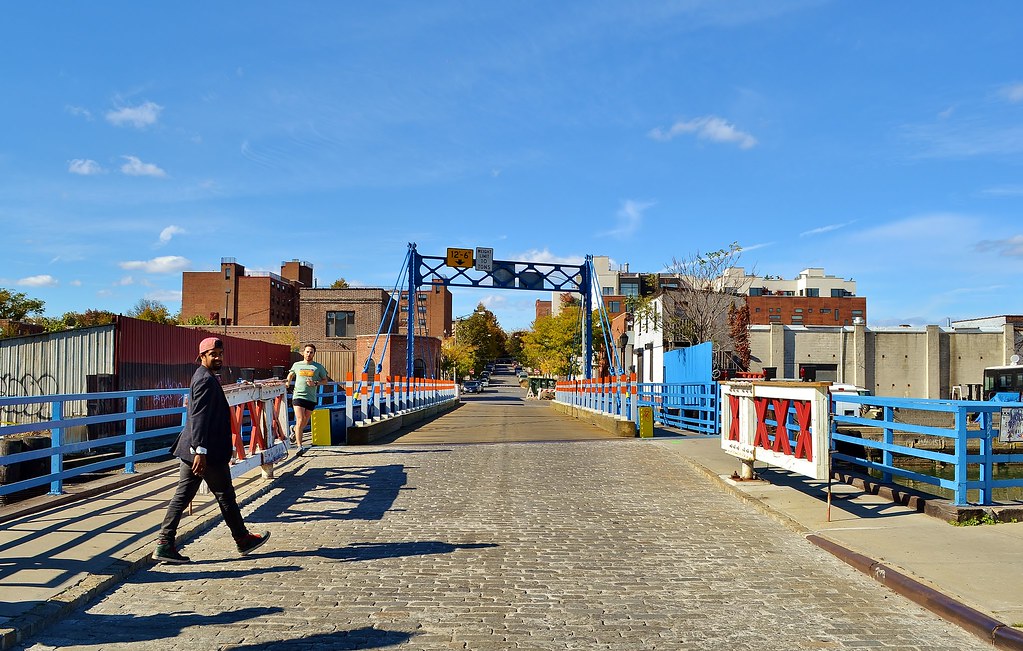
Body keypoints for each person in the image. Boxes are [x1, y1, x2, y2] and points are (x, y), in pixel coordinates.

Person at [152, 337, 270, 564]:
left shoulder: (206, 377)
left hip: (198, 450)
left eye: (220, 353)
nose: (218, 357)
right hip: (205, 452)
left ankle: (165, 543)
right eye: (213, 354)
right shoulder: (204, 380)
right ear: (202, 356)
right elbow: (199, 417)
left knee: (185, 495)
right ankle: (242, 539)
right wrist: (200, 451)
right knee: (224, 495)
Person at [286, 344, 332, 447]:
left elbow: (325, 381)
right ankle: (299, 446)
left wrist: (315, 383)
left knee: (304, 423)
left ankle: (294, 429)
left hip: (311, 398)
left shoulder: (318, 367)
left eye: (311, 352)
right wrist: (288, 382)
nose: (308, 354)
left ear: (314, 354)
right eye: (307, 352)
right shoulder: (297, 365)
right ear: (303, 352)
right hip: (298, 396)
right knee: (300, 419)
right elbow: (290, 374)